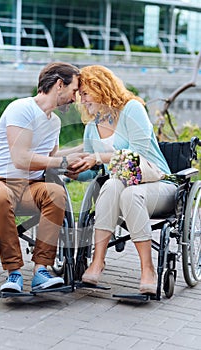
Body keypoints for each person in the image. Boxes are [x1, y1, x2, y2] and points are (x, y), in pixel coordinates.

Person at [0, 62, 89, 293]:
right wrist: (61, 162)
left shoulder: (55, 121)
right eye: (74, 91)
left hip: (31, 186)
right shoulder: (21, 108)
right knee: (0, 197)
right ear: (59, 85)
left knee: (57, 193)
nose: (75, 99)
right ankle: (14, 273)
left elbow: (49, 157)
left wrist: (82, 151)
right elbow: (21, 158)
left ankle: (41, 269)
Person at [72, 64, 177, 294]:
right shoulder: (92, 127)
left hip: (157, 185)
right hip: (119, 188)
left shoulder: (132, 109)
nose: (83, 100)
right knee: (112, 184)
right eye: (80, 95)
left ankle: (147, 269)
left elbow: (136, 154)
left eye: (85, 93)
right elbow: (92, 171)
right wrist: (75, 171)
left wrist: (97, 157)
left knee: (130, 192)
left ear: (101, 88)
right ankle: (97, 262)